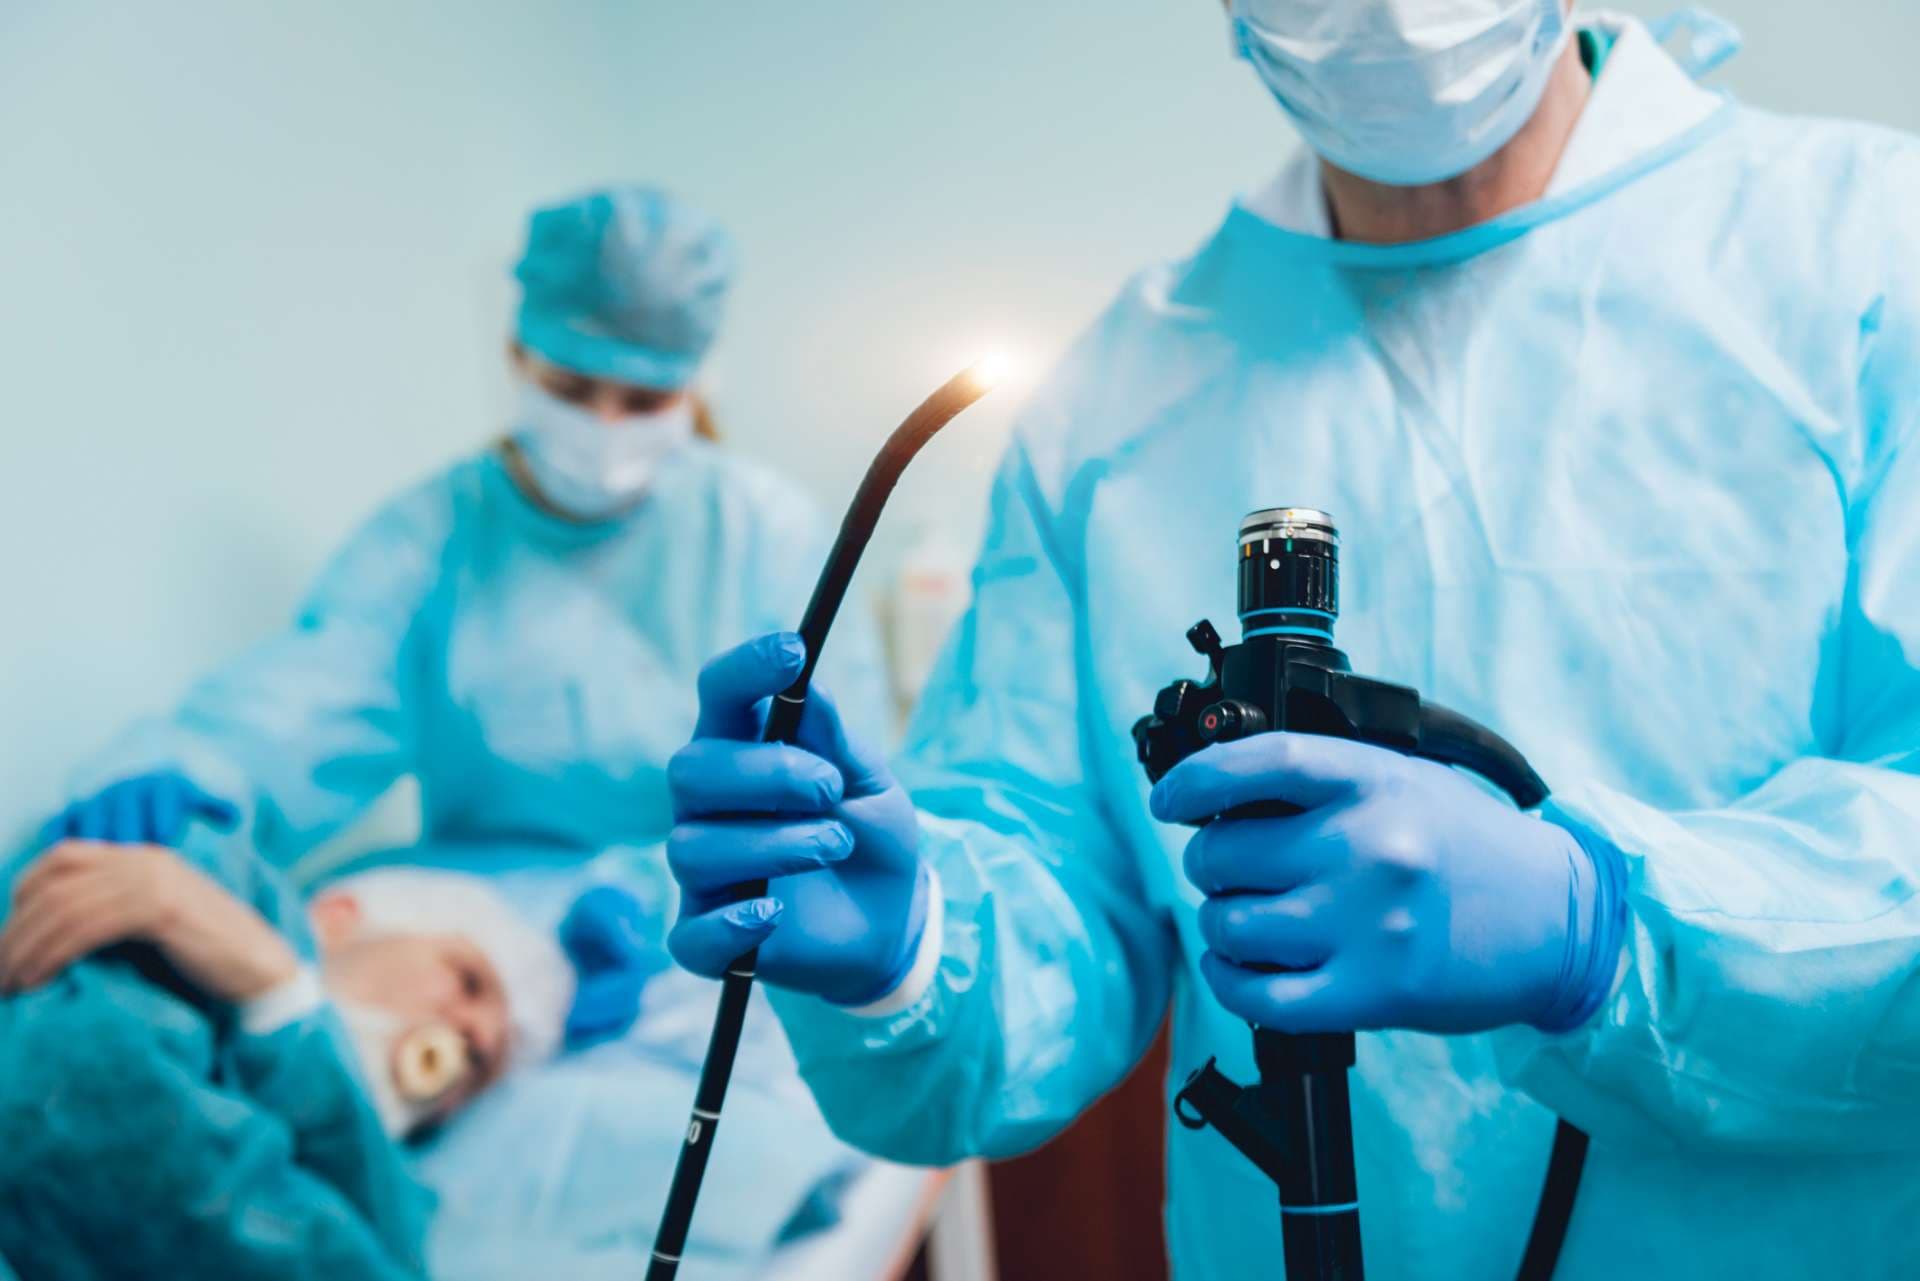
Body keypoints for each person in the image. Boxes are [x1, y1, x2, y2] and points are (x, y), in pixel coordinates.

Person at [662, 4, 1920, 1278]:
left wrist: (1602, 925)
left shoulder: (1872, 250)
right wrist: (911, 949)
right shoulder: (1123, 388)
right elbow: (1059, 892)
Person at [35, 183, 889, 1043]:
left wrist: (648, 895)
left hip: (713, 918)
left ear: (693, 386)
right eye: (574, 384)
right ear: (519, 354)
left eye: (643, 402)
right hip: (467, 905)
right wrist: (193, 772)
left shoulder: (762, 533)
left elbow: (825, 784)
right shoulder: (428, 536)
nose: (604, 426)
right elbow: (309, 692)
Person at [0, 838, 574, 1279]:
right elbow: (68, 1118)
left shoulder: (404, 1206)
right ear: (340, 918)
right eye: (468, 981)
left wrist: (280, 998)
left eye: (482, 1069)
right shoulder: (190, 891)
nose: (473, 1035)